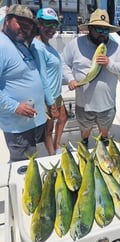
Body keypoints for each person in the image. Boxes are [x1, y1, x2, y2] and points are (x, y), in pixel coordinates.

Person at [62, 9, 120, 147]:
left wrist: (109, 63)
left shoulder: (115, 47)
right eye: (99, 28)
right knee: (85, 128)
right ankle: (85, 142)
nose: (102, 33)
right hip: (84, 102)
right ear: (90, 28)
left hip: (107, 103)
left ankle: (104, 142)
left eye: (106, 30)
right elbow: (63, 63)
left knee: (104, 129)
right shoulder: (75, 44)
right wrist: (71, 79)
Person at [0, 4, 56, 162]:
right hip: (18, 127)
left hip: (31, 122)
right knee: (25, 169)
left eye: (29, 25)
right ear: (7, 21)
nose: (24, 28)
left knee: (33, 160)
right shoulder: (2, 45)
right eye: (20, 23)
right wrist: (15, 106)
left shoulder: (19, 43)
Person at [32, 8, 68, 155]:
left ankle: (57, 144)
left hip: (56, 93)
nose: (51, 29)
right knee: (49, 128)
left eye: (54, 25)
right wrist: (51, 104)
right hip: (48, 97)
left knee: (64, 117)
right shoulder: (38, 46)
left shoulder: (47, 44)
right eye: (47, 24)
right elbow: (42, 77)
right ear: (39, 24)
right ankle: (52, 155)